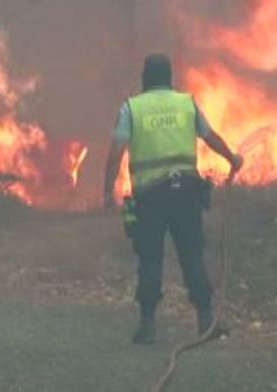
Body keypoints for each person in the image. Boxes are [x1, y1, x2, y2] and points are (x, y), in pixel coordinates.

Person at [103, 53, 243, 345]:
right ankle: (206, 319)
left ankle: (148, 325)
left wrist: (107, 192)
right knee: (192, 253)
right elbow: (210, 136)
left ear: (144, 78)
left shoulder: (131, 108)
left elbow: (116, 151)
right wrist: (232, 158)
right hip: (186, 194)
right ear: (170, 78)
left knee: (150, 257)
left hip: (150, 197)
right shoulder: (186, 103)